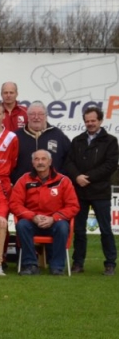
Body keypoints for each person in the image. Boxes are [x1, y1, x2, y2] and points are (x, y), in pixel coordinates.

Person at [64, 106, 118, 276]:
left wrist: (87, 177)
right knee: (79, 230)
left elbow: (110, 165)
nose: (90, 124)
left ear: (100, 121)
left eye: (93, 120)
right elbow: (69, 162)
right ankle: (78, 263)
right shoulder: (77, 140)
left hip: (100, 192)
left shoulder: (110, 141)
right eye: (87, 121)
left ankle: (110, 263)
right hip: (79, 192)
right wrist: (77, 176)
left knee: (105, 229)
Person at [10, 149, 79, 275]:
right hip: (32, 222)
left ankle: (57, 267)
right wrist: (33, 217)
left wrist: (54, 218)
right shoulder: (24, 180)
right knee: (22, 225)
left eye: (43, 159)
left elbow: (73, 206)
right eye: (37, 159)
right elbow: (14, 204)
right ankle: (30, 265)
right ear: (32, 162)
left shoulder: (63, 181)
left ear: (50, 162)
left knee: (63, 227)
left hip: (55, 222)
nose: (40, 162)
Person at [11, 101, 71, 184]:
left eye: (40, 114)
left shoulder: (57, 134)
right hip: (24, 187)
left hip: (53, 187)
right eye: (32, 114)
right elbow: (9, 161)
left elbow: (69, 159)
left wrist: (61, 177)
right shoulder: (16, 136)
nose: (36, 117)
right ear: (27, 116)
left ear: (46, 116)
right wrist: (16, 179)